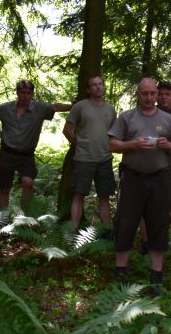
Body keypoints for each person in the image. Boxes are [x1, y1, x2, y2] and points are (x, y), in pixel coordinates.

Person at [108, 77, 171, 292]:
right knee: (126, 223)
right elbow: (112, 144)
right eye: (145, 93)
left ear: (157, 94)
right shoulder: (127, 117)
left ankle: (156, 275)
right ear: (138, 94)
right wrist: (132, 144)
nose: (150, 98)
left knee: (158, 224)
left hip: (160, 179)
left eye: (153, 93)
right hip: (132, 178)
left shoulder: (168, 120)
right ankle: (120, 271)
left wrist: (167, 144)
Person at [0, 79, 72, 210]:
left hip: (26, 155)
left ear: (32, 94)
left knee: (28, 182)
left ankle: (26, 217)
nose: (25, 96)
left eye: (28, 93)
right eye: (22, 92)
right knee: (4, 188)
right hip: (7, 153)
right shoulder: (6, 108)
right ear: (17, 93)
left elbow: (55, 107)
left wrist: (73, 106)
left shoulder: (39, 108)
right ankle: (1, 218)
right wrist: (0, 134)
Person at [139, 80, 171, 267]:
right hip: (152, 168)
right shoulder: (146, 111)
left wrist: (166, 121)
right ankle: (146, 246)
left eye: (167, 94)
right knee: (147, 210)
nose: (163, 97)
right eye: (160, 94)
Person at [62, 75, 116, 229]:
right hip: (84, 159)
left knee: (104, 197)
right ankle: (73, 231)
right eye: (94, 85)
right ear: (88, 89)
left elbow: (114, 133)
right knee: (78, 195)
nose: (98, 87)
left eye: (100, 84)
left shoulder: (110, 109)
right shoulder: (80, 107)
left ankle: (106, 232)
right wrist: (80, 144)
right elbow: (67, 130)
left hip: (105, 158)